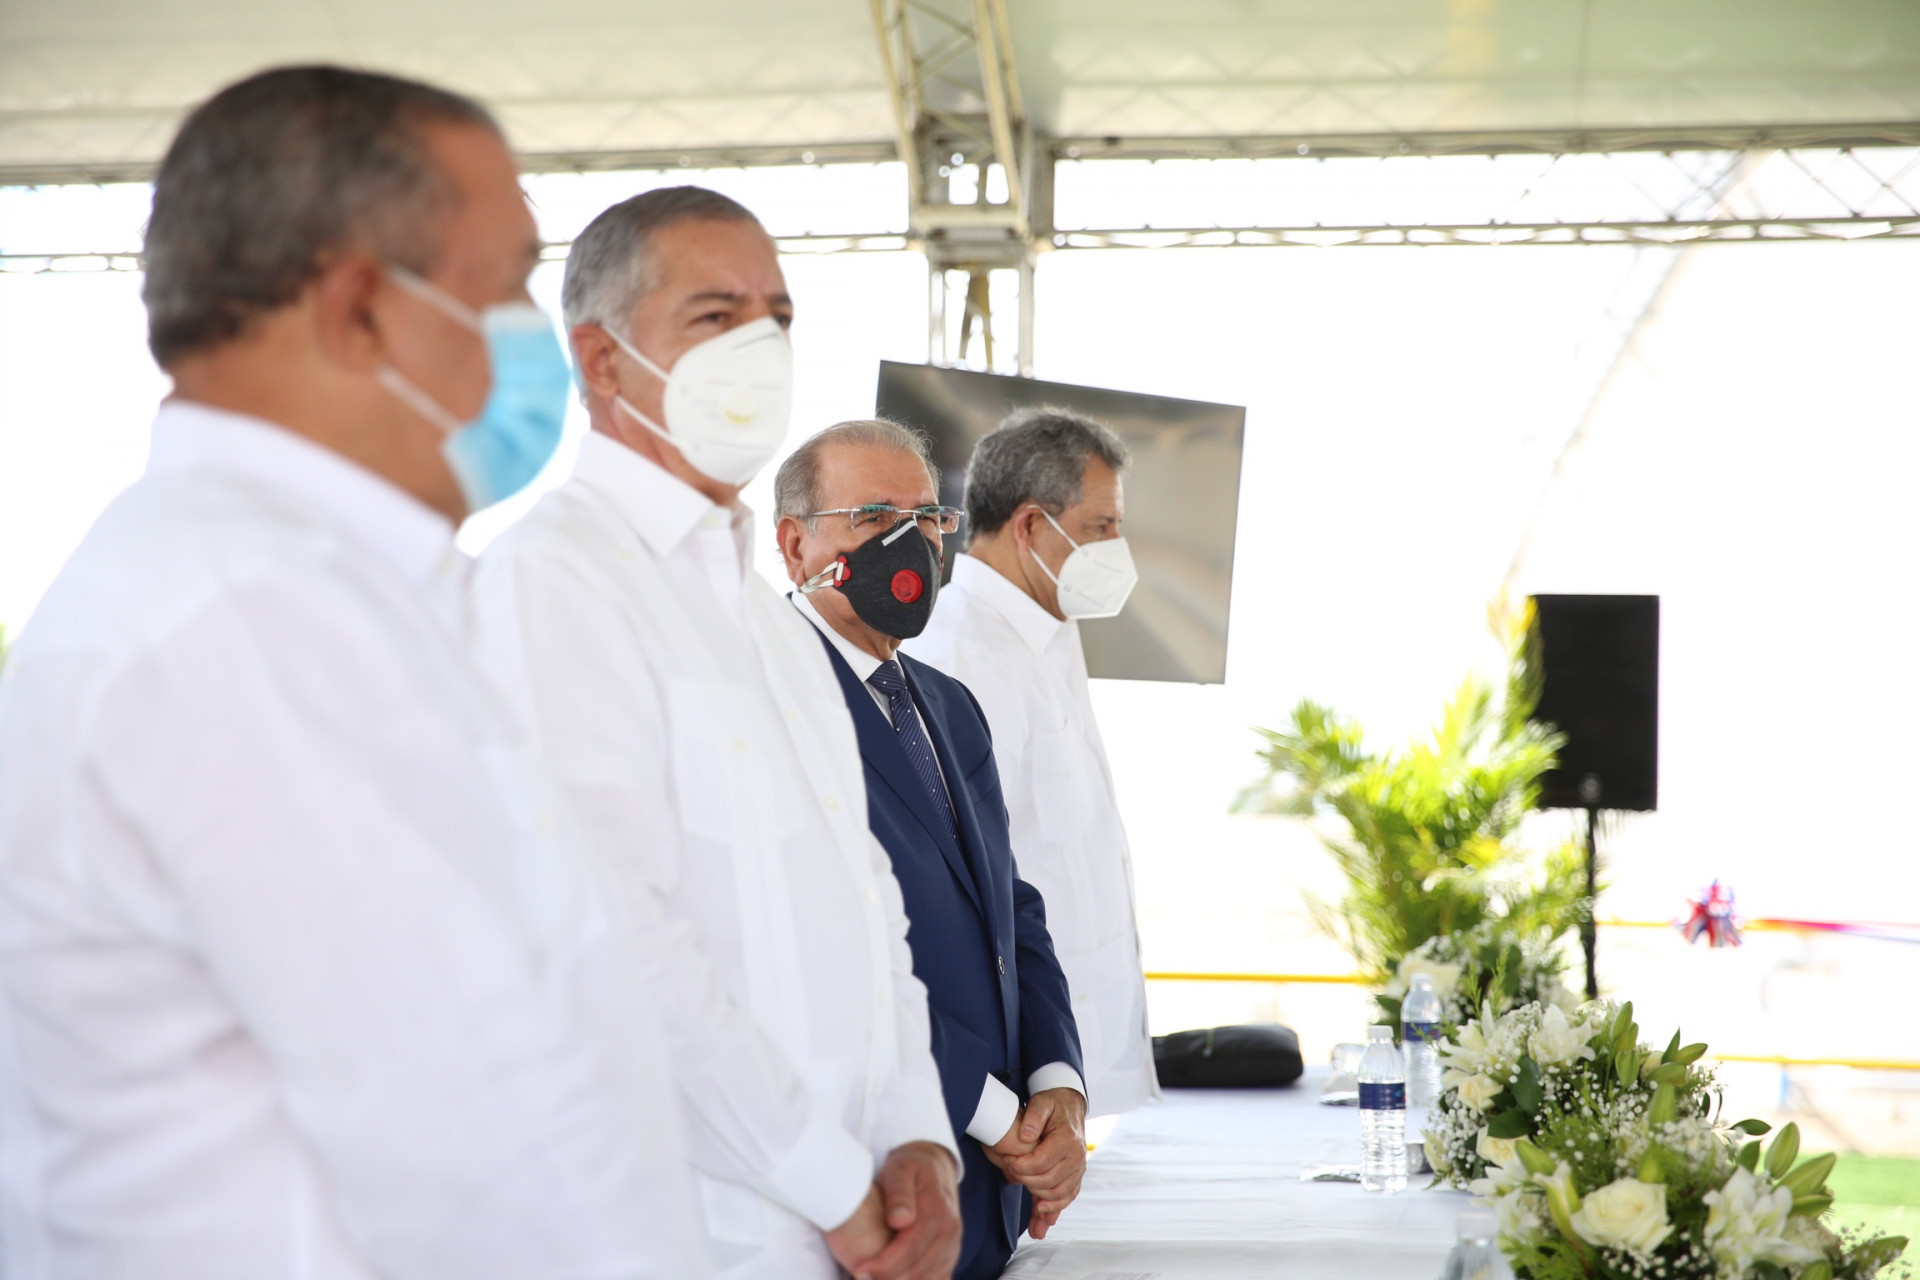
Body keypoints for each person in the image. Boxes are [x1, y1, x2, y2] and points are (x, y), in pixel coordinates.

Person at [0, 66, 707, 1280]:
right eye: (505, 286)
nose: (530, 338)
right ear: (361, 311)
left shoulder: (272, 581)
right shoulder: (251, 619)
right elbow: (490, 1138)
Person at [469, 188, 962, 1280]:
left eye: (776, 317)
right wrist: (832, 1182)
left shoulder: (767, 622)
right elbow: (612, 940)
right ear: (601, 361)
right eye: (714, 315)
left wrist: (918, 1139)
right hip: (688, 1235)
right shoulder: (551, 582)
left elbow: (867, 897)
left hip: (856, 1224)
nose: (760, 347)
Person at [775, 420, 1090, 1280]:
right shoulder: (769, 705)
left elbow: (1009, 907)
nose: (911, 543)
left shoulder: (950, 704)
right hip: (881, 1193)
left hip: (995, 1199)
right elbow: (827, 953)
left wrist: (1057, 1086)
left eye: (927, 518)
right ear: (796, 545)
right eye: (875, 518)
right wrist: (997, 1118)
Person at [902, 407, 1160, 1121]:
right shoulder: (960, 654)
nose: (1115, 547)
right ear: (1030, 526)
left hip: (1069, 1075)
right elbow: (960, 900)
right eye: (1100, 527)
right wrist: (1007, 1105)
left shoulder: (1047, 632)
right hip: (1020, 1087)